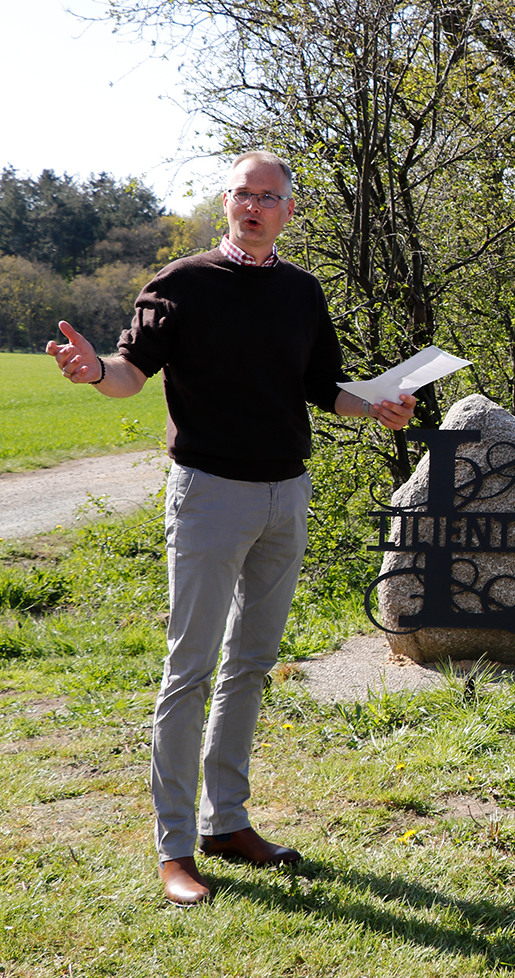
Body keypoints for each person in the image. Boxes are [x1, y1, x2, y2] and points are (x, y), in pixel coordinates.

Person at [45, 150, 416, 907]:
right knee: (190, 670)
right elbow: (129, 373)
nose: (253, 207)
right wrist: (95, 372)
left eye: (268, 197)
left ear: (288, 210)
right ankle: (175, 848)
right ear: (226, 203)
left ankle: (227, 822)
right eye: (243, 194)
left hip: (287, 494)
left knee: (250, 665)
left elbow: (322, 387)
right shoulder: (180, 284)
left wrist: (375, 407)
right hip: (210, 495)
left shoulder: (301, 291)